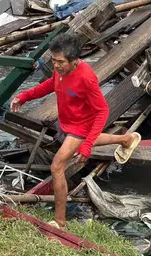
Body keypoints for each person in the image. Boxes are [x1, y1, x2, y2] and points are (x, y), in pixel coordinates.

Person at [10, 33, 141, 229]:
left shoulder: (87, 78)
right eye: (53, 60)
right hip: (67, 122)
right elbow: (50, 84)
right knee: (82, 143)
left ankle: (59, 221)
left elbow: (103, 111)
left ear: (75, 60)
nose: (56, 65)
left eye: (60, 61)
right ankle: (126, 139)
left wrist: (87, 145)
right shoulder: (60, 71)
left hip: (81, 126)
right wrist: (24, 96)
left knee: (57, 166)